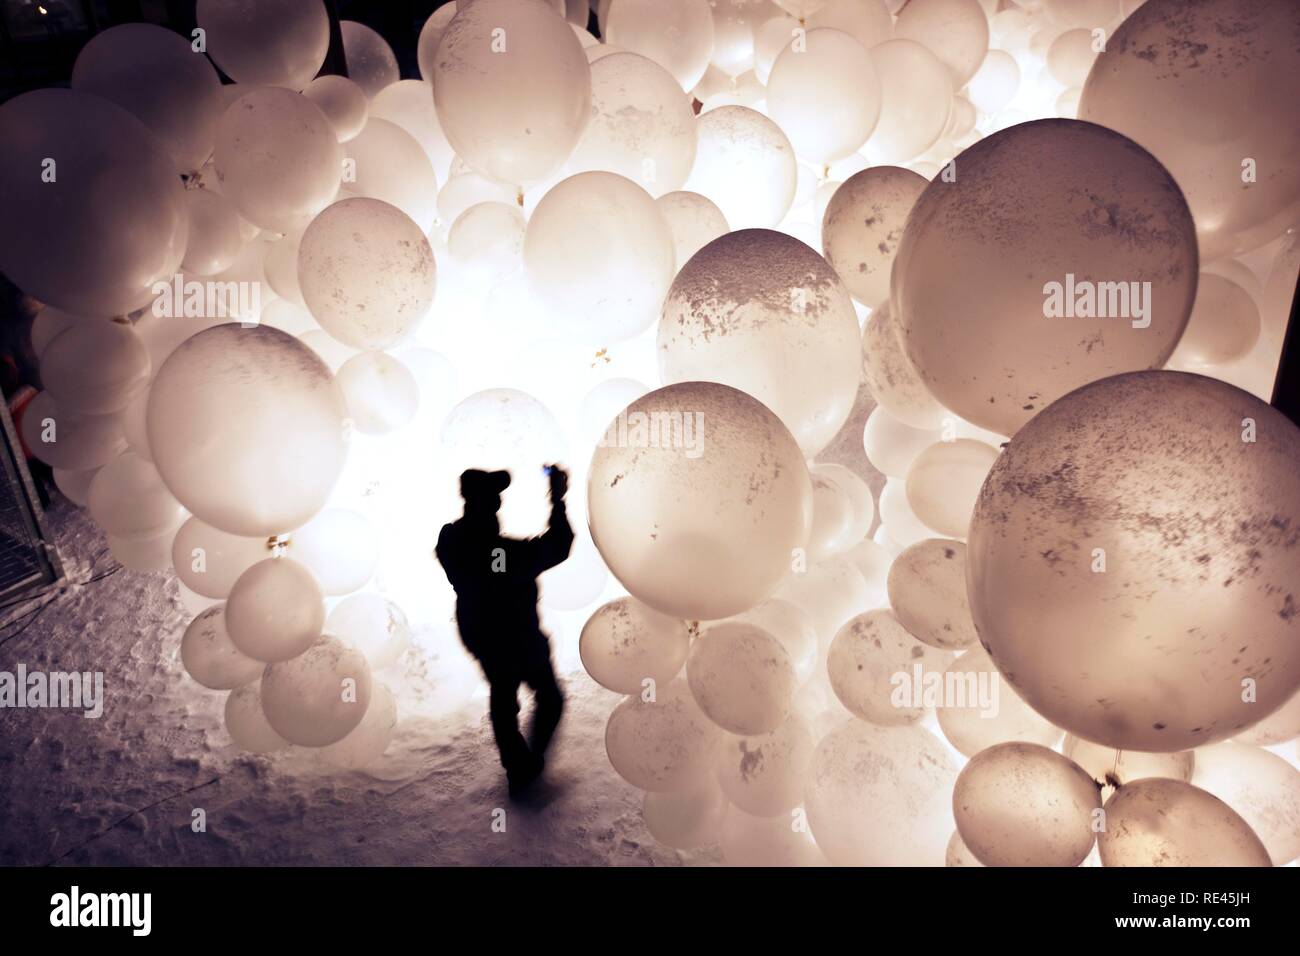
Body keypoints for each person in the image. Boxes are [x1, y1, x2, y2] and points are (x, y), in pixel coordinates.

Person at [435, 465, 574, 797]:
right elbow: (558, 545)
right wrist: (557, 498)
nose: (499, 502)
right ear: (489, 506)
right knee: (549, 698)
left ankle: (518, 766)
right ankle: (528, 765)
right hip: (517, 639)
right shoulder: (502, 554)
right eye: (494, 497)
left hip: (481, 635)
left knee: (503, 696)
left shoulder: (450, 540)